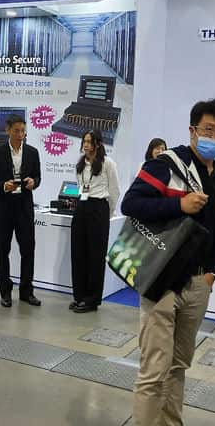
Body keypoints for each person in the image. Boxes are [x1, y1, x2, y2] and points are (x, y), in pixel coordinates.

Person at [121, 99, 215, 426]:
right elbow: (131, 203)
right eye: (209, 129)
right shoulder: (166, 165)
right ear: (192, 131)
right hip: (162, 279)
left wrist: (213, 273)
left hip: (198, 284)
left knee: (178, 366)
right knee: (154, 369)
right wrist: (178, 206)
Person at [0, 114, 42, 308]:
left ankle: (27, 291)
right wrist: (3, 185)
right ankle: (5, 292)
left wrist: (34, 182)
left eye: (23, 131)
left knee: (28, 249)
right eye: (16, 131)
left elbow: (38, 177)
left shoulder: (32, 152)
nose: (20, 134)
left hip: (24, 207)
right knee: (3, 250)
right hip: (3, 207)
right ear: (8, 130)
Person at [70, 130, 120, 314]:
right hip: (82, 207)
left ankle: (92, 299)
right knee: (78, 253)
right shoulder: (80, 164)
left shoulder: (108, 163)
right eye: (84, 141)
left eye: (89, 142)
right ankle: (79, 296)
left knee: (95, 256)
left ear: (98, 144)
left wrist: (108, 212)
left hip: (99, 208)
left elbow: (114, 190)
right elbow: (80, 186)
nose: (85, 145)